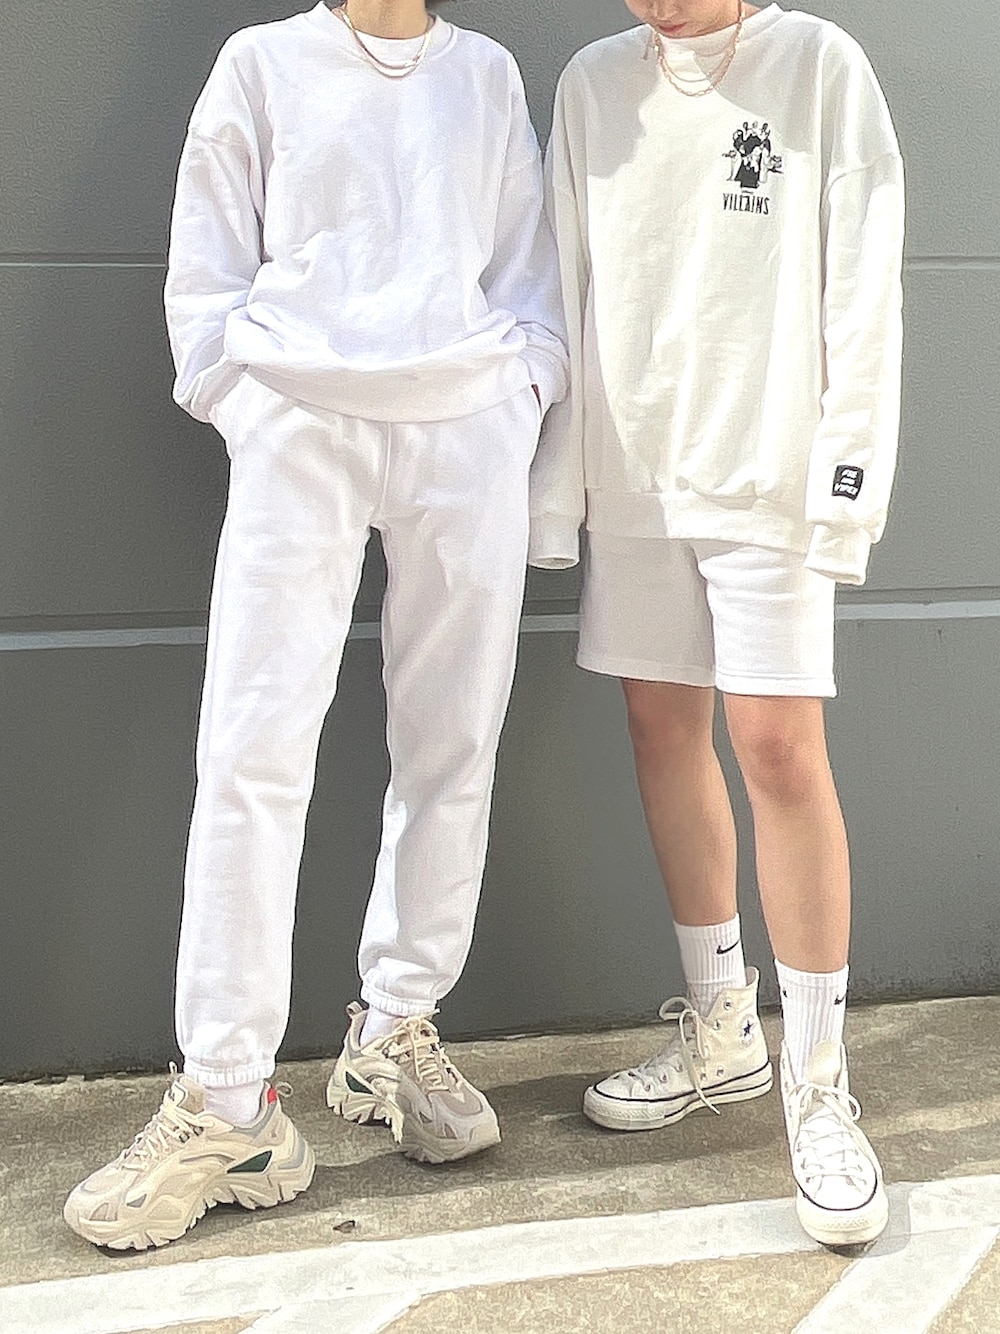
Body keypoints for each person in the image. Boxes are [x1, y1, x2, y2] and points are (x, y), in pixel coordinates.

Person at [64, 0, 566, 1251]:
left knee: (454, 739)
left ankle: (395, 1026)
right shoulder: (263, 62)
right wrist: (244, 397)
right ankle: (227, 1097)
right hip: (300, 419)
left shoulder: (486, 74)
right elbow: (205, 266)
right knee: (252, 749)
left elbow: (529, 265)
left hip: (466, 427)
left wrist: (521, 388)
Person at [531, 0, 903, 1248]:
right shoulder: (593, 85)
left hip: (771, 474)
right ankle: (721, 1025)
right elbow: (561, 282)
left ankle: (818, 1083)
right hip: (638, 469)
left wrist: (846, 482)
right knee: (659, 728)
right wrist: (559, 487)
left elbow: (864, 287)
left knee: (778, 747)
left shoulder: (819, 66)